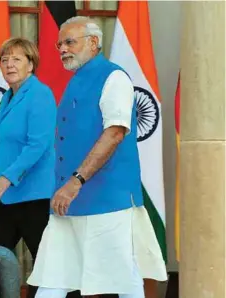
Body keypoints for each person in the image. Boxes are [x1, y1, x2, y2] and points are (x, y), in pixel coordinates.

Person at [27, 17, 167, 298]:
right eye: (59, 44)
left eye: (70, 42)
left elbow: (115, 132)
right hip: (68, 200)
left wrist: (76, 181)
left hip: (106, 199)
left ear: (93, 42)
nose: (62, 49)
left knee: (123, 278)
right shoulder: (77, 80)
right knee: (54, 277)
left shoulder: (114, 77)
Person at [0, 37, 59, 298]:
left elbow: (38, 144)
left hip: (36, 198)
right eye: (5, 60)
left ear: (31, 64)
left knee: (50, 270)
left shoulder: (40, 94)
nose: (9, 64)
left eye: (16, 59)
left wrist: (5, 178)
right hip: (7, 199)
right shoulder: (6, 97)